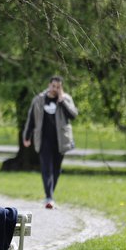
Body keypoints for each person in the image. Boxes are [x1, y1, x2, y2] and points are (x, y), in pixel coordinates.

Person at [22, 76, 78, 209]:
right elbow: (31, 118)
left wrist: (62, 101)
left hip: (60, 141)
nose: (55, 89)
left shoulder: (66, 99)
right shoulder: (39, 100)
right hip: (43, 140)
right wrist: (27, 136)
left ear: (61, 87)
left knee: (56, 170)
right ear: (49, 85)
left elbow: (73, 115)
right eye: (53, 86)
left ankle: (50, 195)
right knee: (46, 169)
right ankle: (49, 197)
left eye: (58, 87)